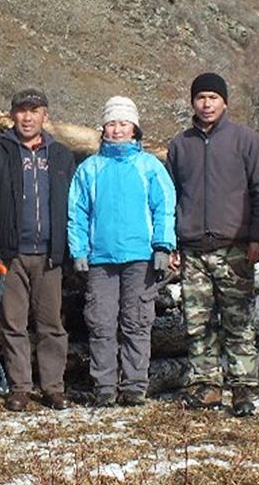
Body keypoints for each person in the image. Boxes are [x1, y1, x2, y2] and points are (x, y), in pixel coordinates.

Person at [167, 72, 259, 417]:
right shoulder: (180, 145)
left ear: (225, 101)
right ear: (192, 103)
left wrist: (257, 238)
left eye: (213, 97)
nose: (207, 104)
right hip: (192, 249)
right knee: (197, 323)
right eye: (201, 98)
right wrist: (170, 244)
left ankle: (242, 388)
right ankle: (207, 386)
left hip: (235, 248)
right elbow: (169, 198)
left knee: (239, 321)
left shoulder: (245, 140)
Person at [68, 96, 176, 407]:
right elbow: (78, 213)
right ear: (103, 128)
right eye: (112, 123)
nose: (117, 129)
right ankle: (103, 386)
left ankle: (134, 386)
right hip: (100, 260)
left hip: (140, 258)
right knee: (101, 323)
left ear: (134, 129)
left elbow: (164, 208)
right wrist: (79, 251)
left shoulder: (149, 166)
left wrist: (163, 246)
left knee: (137, 323)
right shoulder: (90, 169)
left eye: (123, 124)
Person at [0, 88, 75, 412]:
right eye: (21, 111)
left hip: (49, 254)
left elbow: (72, 206)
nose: (28, 117)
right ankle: (19, 387)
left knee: (51, 325)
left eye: (34, 111)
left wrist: (69, 251)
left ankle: (53, 387)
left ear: (45, 115)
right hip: (12, 254)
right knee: (13, 324)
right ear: (12, 114)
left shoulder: (60, 155)